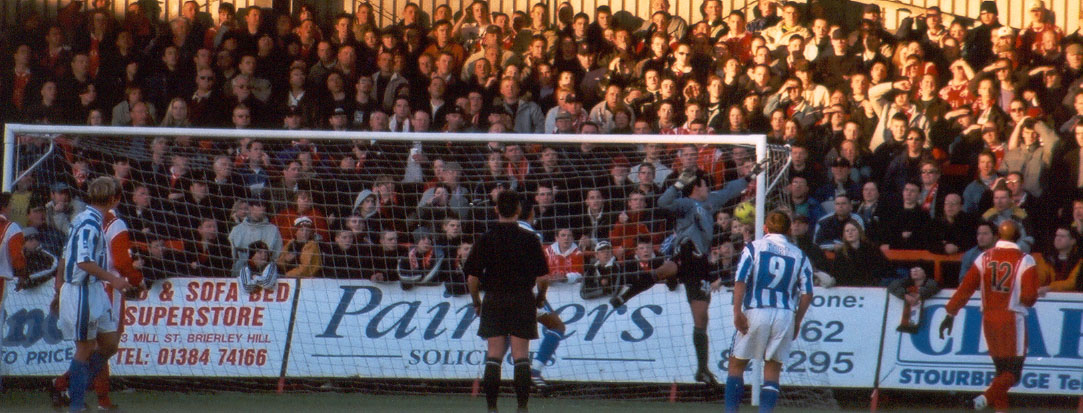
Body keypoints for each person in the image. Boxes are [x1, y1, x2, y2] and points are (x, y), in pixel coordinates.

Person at [613, 165, 758, 386]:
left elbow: (729, 191)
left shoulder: (711, 201)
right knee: (664, 270)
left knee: (701, 319)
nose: (708, 188)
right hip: (686, 252)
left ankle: (702, 370)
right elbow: (663, 203)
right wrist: (677, 185)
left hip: (701, 264)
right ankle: (625, 296)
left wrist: (749, 177)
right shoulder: (686, 204)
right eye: (705, 185)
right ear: (696, 187)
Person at [52, 203, 144, 409]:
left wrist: (58, 283)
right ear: (116, 199)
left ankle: (67, 386)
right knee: (104, 346)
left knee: (93, 346)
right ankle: (73, 388)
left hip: (84, 287)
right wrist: (136, 279)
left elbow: (65, 254)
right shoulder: (116, 224)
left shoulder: (80, 220)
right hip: (107, 287)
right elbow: (121, 262)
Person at [464, 190, 550, 413]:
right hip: (522, 298)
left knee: (494, 355)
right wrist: (540, 298)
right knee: (521, 355)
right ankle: (522, 408)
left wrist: (477, 301)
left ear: (496, 210)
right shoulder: (529, 238)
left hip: (494, 299)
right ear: (519, 211)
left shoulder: (486, 238)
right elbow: (543, 278)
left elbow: (472, 278)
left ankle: (492, 408)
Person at [939, 220, 1038, 412]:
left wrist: (950, 313)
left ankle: (1000, 410)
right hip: (1012, 319)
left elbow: (965, 288)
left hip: (989, 319)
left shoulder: (983, 258)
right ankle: (982, 400)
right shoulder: (1026, 260)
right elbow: (1028, 297)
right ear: (1018, 236)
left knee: (1000, 370)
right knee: (1013, 373)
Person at [724, 210, 814, 413]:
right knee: (773, 368)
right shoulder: (799, 255)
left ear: (765, 227)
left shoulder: (754, 247)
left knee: (737, 364)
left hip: (757, 310)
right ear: (789, 229)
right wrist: (797, 321)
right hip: (785, 314)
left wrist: (737, 311)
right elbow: (807, 293)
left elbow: (740, 280)